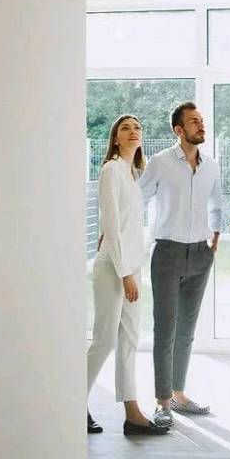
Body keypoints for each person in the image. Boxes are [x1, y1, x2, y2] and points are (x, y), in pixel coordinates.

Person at [139, 101, 222, 427]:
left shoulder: (211, 165)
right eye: (194, 122)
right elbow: (138, 200)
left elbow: (217, 202)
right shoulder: (160, 163)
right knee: (165, 331)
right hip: (168, 255)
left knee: (186, 331)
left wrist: (214, 239)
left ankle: (178, 392)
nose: (201, 126)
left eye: (201, 121)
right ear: (179, 130)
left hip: (200, 254)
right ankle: (162, 402)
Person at [87, 114, 168, 437]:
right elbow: (111, 226)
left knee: (129, 341)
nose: (133, 131)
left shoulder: (134, 174)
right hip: (114, 269)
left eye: (137, 126)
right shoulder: (111, 170)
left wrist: (133, 270)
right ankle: (70, 402)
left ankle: (133, 414)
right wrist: (124, 274)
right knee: (105, 340)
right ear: (115, 139)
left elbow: (129, 226)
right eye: (125, 128)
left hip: (131, 267)